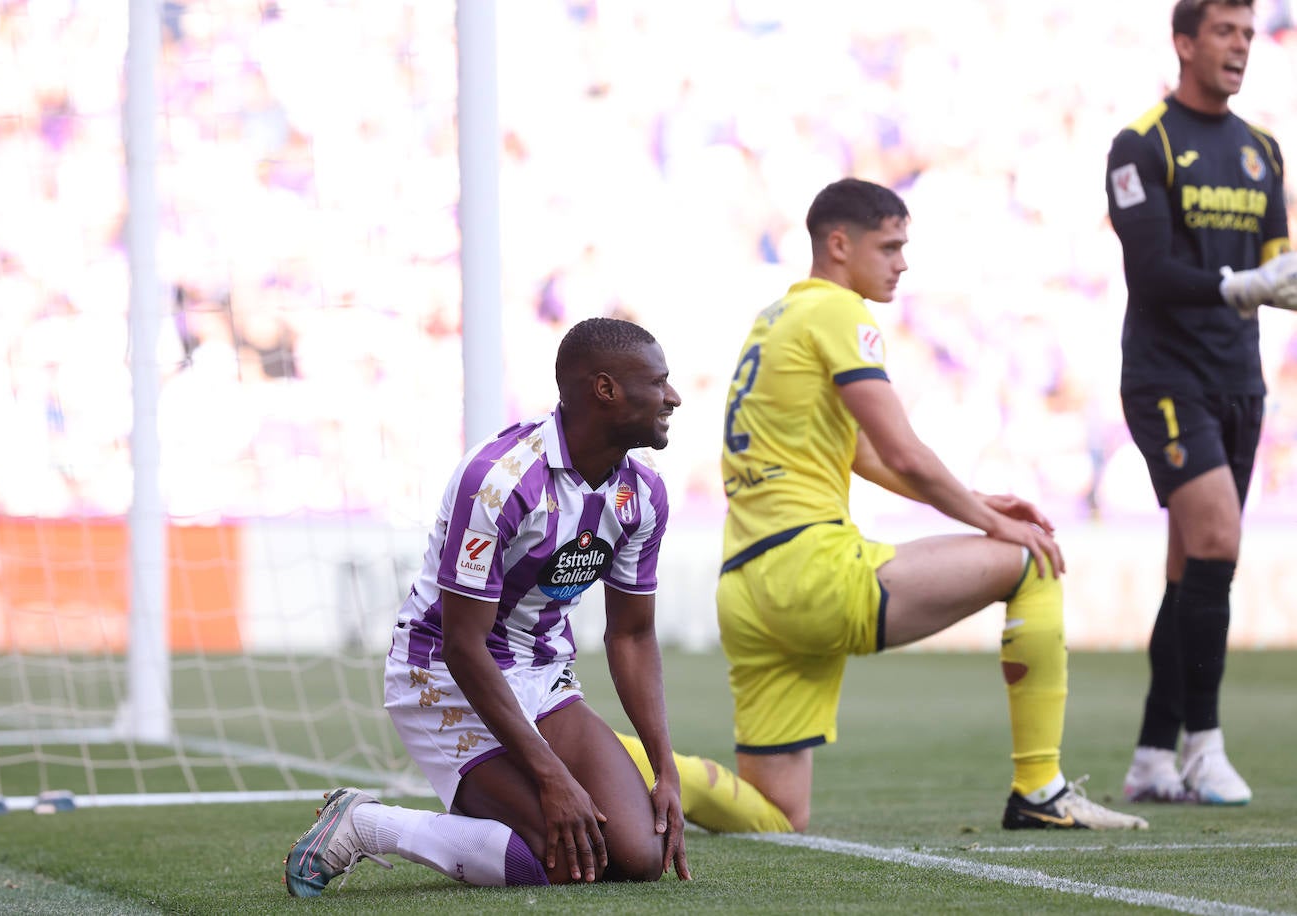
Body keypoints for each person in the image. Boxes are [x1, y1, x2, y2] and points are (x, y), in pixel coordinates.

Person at [714, 176, 1149, 834]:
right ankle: (1040, 788)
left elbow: (862, 453)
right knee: (1028, 561)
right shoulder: (838, 312)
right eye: (889, 247)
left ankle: (624, 765)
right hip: (810, 571)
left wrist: (974, 499)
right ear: (838, 244)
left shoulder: (774, 319)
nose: (902, 263)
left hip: (747, 583)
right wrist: (994, 523)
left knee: (774, 818)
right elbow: (906, 451)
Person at [283, 317, 693, 894]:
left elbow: (630, 636)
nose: (673, 397)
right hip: (443, 679)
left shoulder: (642, 494)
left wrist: (665, 768)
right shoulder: (499, 481)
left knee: (638, 855)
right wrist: (552, 776)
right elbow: (461, 643)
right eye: (659, 382)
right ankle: (366, 824)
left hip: (543, 677)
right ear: (606, 389)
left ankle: (503, 811)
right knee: (564, 864)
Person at [1105, 0, 1297, 806]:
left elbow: (1277, 264)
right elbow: (1149, 272)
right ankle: (1203, 746)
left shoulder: (1262, 150)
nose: (1239, 48)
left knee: (1192, 568)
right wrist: (1238, 285)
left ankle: (1151, 755)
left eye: (1248, 35)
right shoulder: (1142, 144)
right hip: (1165, 376)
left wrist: (1277, 284)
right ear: (1184, 42)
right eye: (1224, 32)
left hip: (1239, 380)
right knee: (1218, 537)